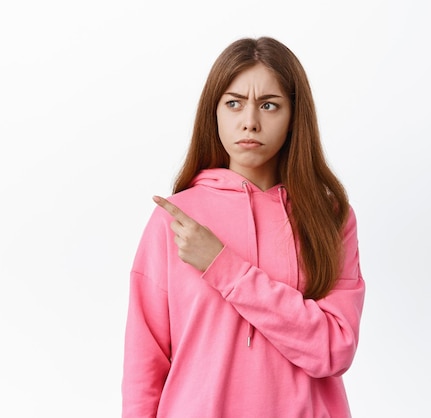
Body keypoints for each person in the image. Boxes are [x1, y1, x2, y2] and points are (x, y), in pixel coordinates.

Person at [122, 36, 365, 418]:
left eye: (269, 105)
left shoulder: (329, 217)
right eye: (234, 103)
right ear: (214, 113)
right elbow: (144, 363)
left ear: (293, 116)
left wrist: (225, 268)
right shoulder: (177, 219)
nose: (250, 121)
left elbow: (334, 349)